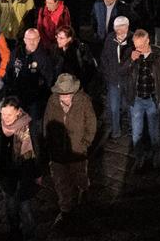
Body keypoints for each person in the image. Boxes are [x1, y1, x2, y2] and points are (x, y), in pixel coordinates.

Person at [43, 73, 96, 226]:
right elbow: (47, 123)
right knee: (61, 183)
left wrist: (85, 143)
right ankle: (66, 211)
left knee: (80, 179)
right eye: (62, 94)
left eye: (68, 94)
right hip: (58, 154)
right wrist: (49, 145)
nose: (65, 98)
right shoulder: (52, 101)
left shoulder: (84, 100)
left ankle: (83, 203)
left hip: (77, 152)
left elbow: (91, 123)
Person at [0, 96, 42, 241]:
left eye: (9, 114)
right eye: (3, 114)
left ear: (18, 112)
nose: (5, 118)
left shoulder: (29, 125)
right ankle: (15, 232)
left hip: (25, 171)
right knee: (10, 206)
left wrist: (38, 173)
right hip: (6, 173)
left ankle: (30, 234)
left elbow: (37, 151)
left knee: (25, 206)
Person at [128, 29, 160, 171]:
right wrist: (130, 61)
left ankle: (157, 156)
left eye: (140, 45)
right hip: (137, 100)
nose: (137, 48)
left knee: (154, 132)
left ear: (148, 41)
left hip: (153, 99)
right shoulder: (131, 54)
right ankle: (139, 158)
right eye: (135, 45)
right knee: (136, 134)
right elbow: (121, 72)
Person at [5, 28, 58, 128]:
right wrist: (10, 88)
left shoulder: (44, 58)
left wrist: (39, 96)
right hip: (17, 96)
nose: (32, 42)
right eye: (29, 39)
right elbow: (9, 70)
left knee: (33, 127)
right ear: (24, 40)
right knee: (16, 125)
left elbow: (49, 80)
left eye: (34, 39)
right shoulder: (17, 52)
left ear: (39, 39)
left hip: (33, 101)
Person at [99, 17, 133, 140]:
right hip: (113, 80)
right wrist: (108, 75)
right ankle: (116, 131)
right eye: (116, 27)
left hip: (128, 81)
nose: (118, 30)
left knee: (129, 106)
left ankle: (131, 129)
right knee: (113, 107)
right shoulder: (109, 39)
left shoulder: (133, 40)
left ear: (127, 27)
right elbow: (104, 58)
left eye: (121, 27)